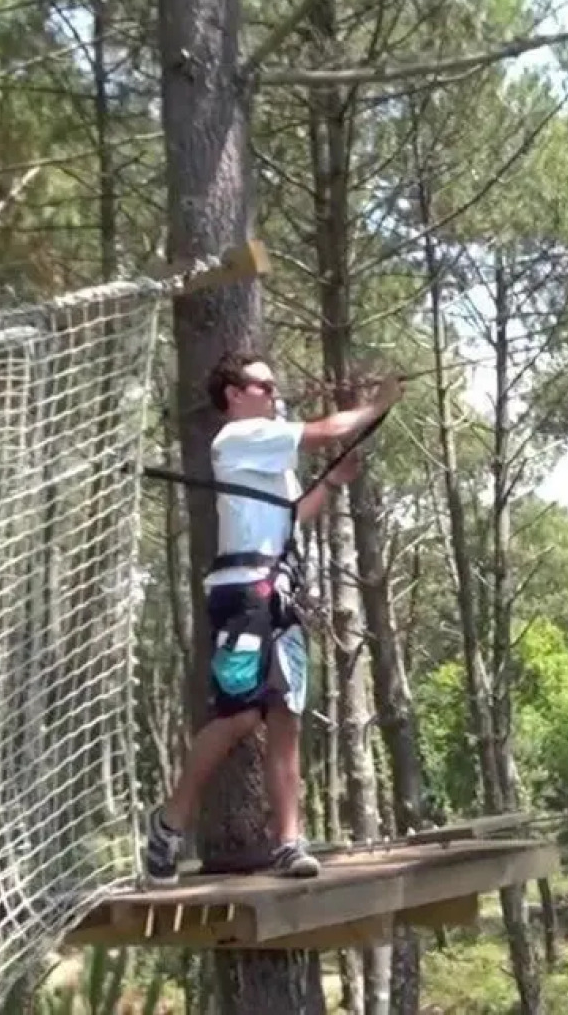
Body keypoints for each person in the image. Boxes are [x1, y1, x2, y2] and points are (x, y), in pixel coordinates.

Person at [140, 352, 404, 885]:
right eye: (264, 384)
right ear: (234, 394)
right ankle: (168, 823)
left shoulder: (269, 461)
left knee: (286, 716)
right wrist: (375, 405)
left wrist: (330, 486)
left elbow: (290, 518)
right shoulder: (237, 438)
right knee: (239, 717)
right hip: (243, 594)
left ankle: (288, 842)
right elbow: (326, 430)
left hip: (281, 593)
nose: (273, 391)